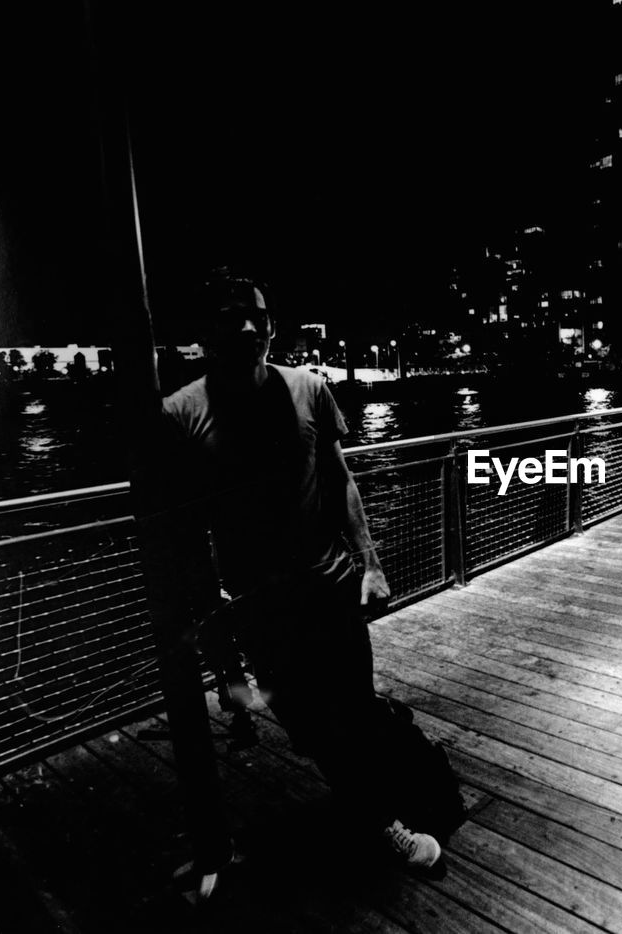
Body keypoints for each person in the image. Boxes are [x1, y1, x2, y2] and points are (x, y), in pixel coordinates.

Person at [157, 270, 456, 871]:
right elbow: (186, 536)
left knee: (350, 705)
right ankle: (379, 815)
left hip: (331, 582)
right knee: (305, 722)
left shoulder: (309, 389)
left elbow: (341, 479)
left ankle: (381, 821)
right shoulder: (180, 413)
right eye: (230, 315)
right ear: (206, 332)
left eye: (257, 315)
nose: (246, 326)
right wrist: (216, 643)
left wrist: (370, 564)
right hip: (259, 603)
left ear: (272, 327)